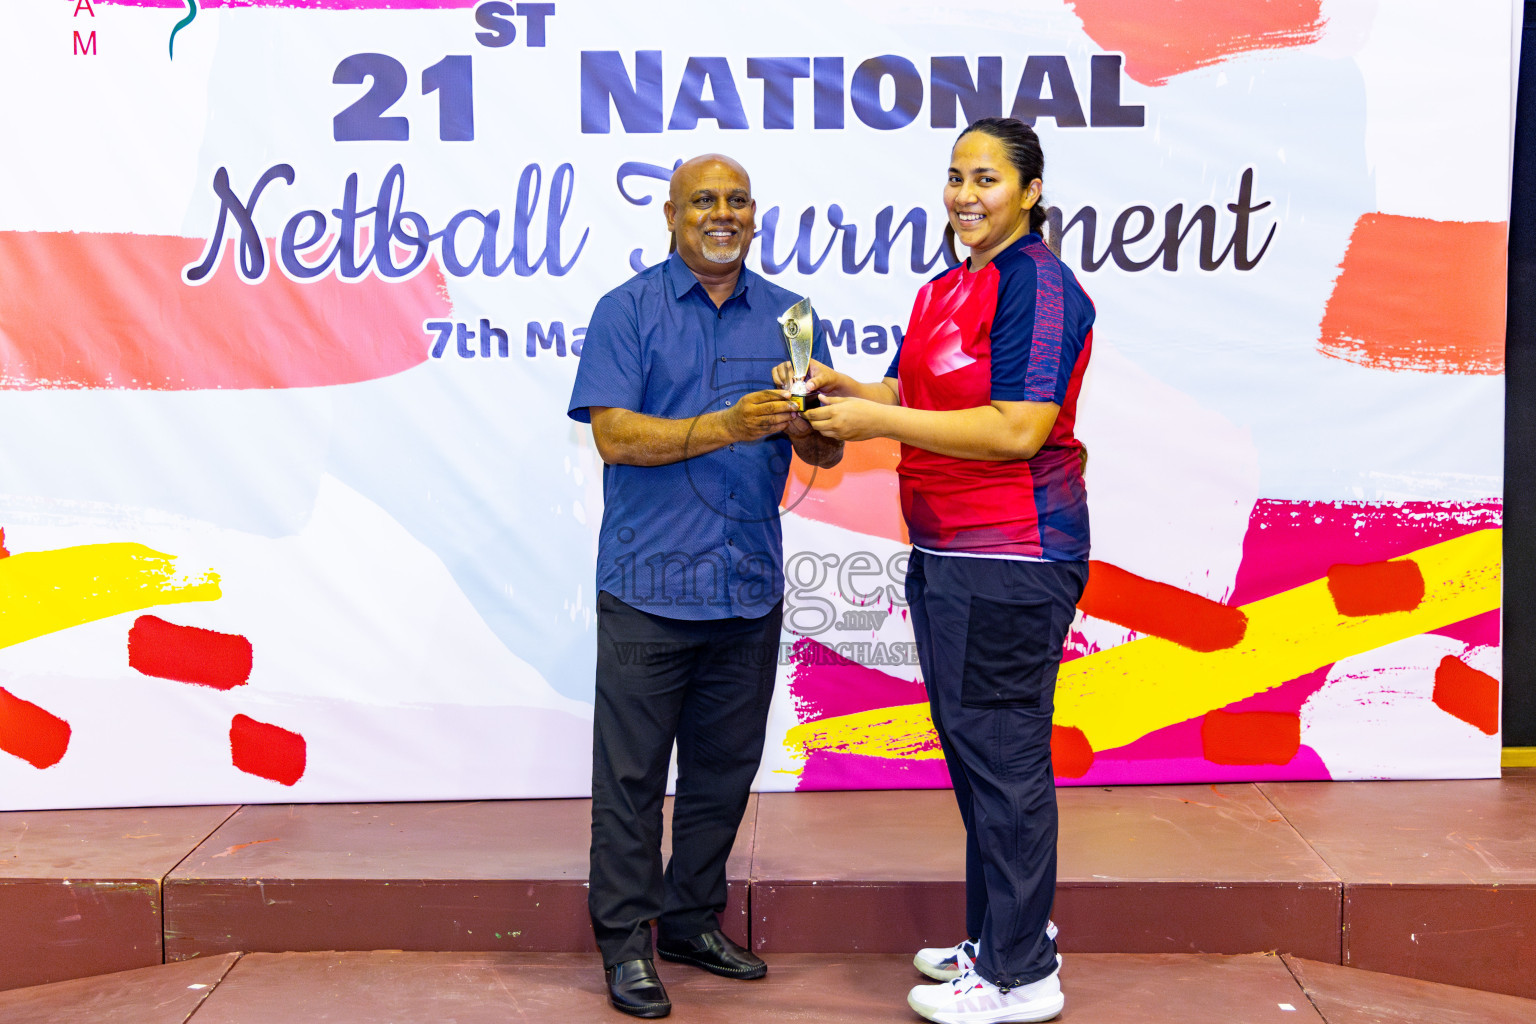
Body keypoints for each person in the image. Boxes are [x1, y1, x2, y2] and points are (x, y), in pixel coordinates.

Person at [781, 117, 1093, 1024]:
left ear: (1030, 192)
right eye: (956, 176)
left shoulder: (1038, 285)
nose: (965, 195)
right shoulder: (946, 286)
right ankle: (998, 938)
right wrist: (847, 390)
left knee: (1002, 757)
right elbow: (912, 398)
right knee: (973, 755)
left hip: (1013, 556)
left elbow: (1017, 427)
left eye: (987, 178)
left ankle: (1022, 974)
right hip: (948, 555)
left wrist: (880, 425)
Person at [568, 153, 843, 1019]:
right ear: (671, 215)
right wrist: (721, 425)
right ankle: (625, 944)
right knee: (632, 781)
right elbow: (615, 436)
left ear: (755, 215)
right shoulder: (628, 312)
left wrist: (812, 426)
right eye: (703, 201)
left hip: (748, 589)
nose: (721, 214)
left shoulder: (792, 319)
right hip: (650, 590)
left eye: (736, 201)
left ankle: (690, 921)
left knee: (724, 776)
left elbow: (829, 451)